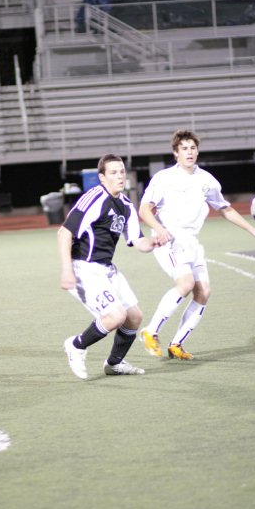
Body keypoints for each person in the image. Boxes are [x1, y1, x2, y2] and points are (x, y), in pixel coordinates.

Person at [138, 129, 255, 361]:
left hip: (191, 242)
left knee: (204, 292)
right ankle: (151, 330)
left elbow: (225, 208)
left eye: (192, 148)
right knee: (186, 283)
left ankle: (176, 344)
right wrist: (159, 230)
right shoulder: (164, 178)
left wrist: (252, 230)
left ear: (197, 151)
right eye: (184, 148)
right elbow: (144, 209)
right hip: (168, 240)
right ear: (175, 153)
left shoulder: (206, 180)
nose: (189, 152)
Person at [58, 153, 159, 380]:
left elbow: (136, 240)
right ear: (102, 178)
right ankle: (76, 345)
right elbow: (64, 232)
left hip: (107, 269)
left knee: (134, 317)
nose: (120, 176)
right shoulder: (93, 198)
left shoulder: (125, 204)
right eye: (113, 172)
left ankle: (114, 363)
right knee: (115, 316)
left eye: (122, 171)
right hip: (83, 268)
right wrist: (66, 269)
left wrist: (152, 242)